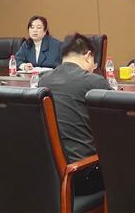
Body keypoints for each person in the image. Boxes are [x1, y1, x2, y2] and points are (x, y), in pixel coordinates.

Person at [37, 33, 111, 196]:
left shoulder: (43, 80)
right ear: (88, 56)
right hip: (84, 174)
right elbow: (115, 122)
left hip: (52, 176)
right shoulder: (93, 81)